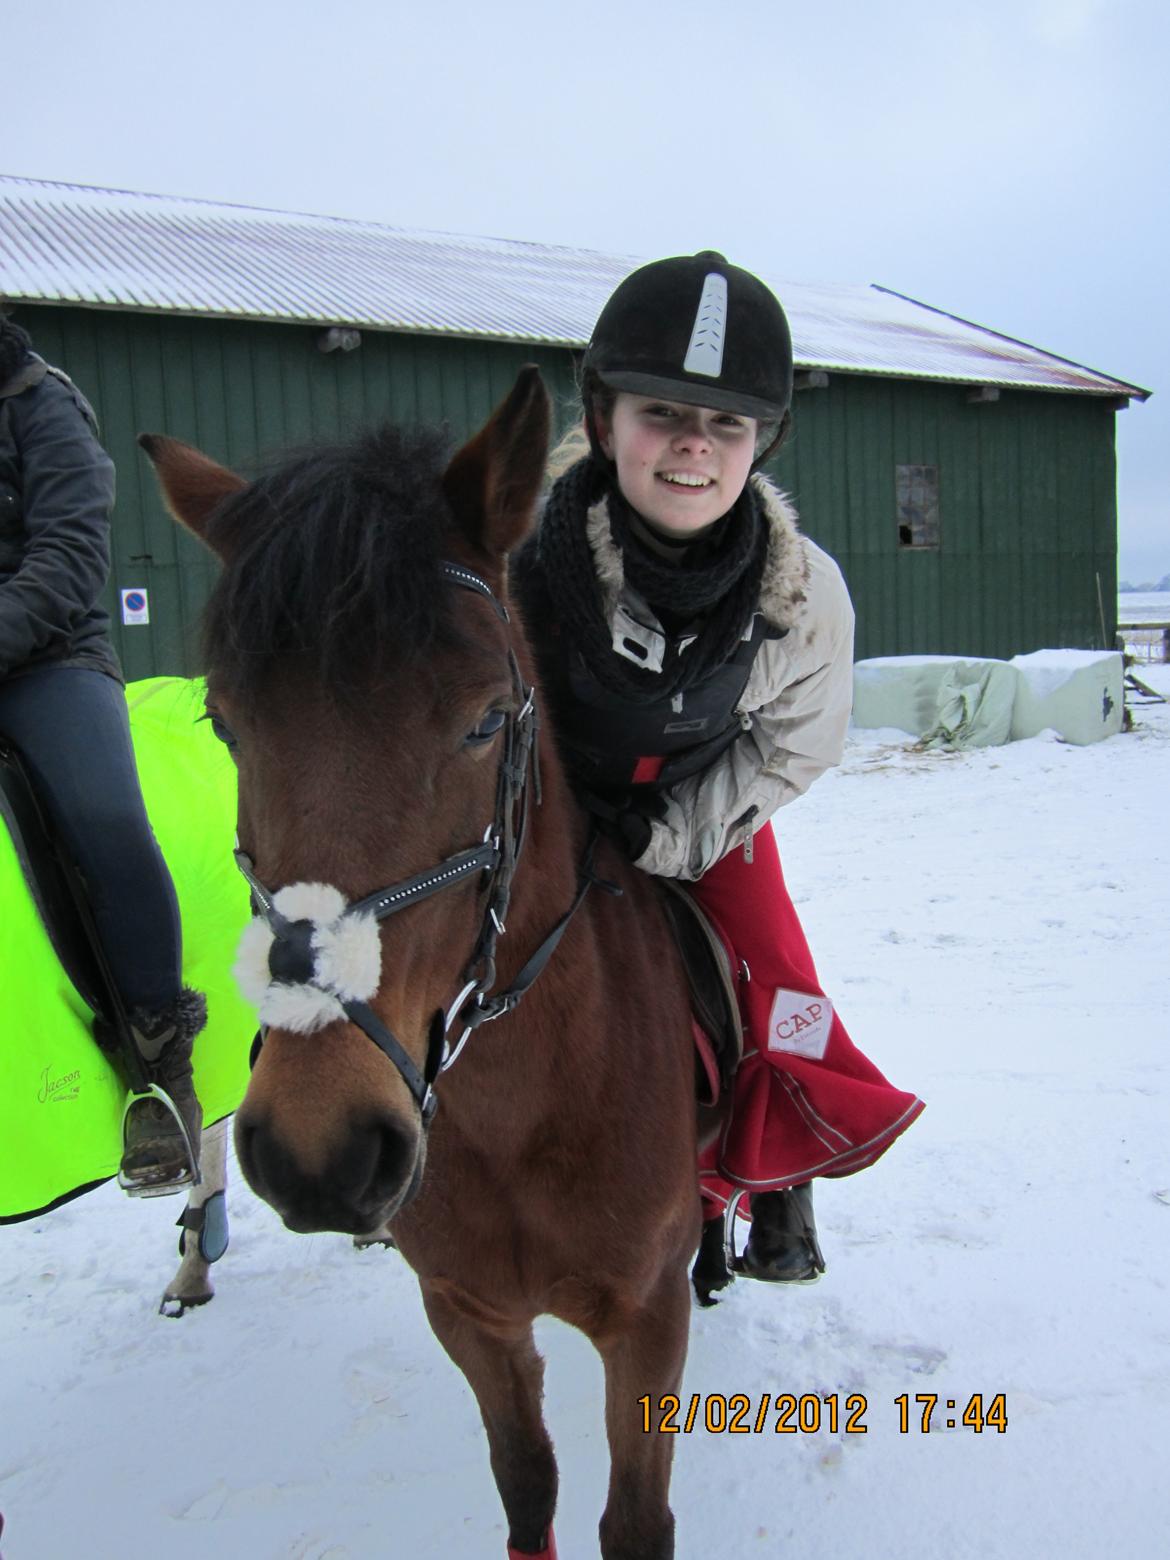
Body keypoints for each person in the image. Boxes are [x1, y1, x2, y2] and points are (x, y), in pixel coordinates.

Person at [514, 252, 924, 1282]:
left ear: (761, 443)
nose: (694, 445)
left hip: (699, 812)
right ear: (603, 420)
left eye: (727, 424)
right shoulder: (519, 552)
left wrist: (674, 833)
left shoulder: (801, 594)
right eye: (662, 414)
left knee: (778, 972)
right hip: (534, 812)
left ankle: (784, 1177)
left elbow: (796, 745)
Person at [0, 310, 205, 1193]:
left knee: (108, 824)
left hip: (50, 653)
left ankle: (159, 1062)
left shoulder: (38, 404)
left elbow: (69, 555)